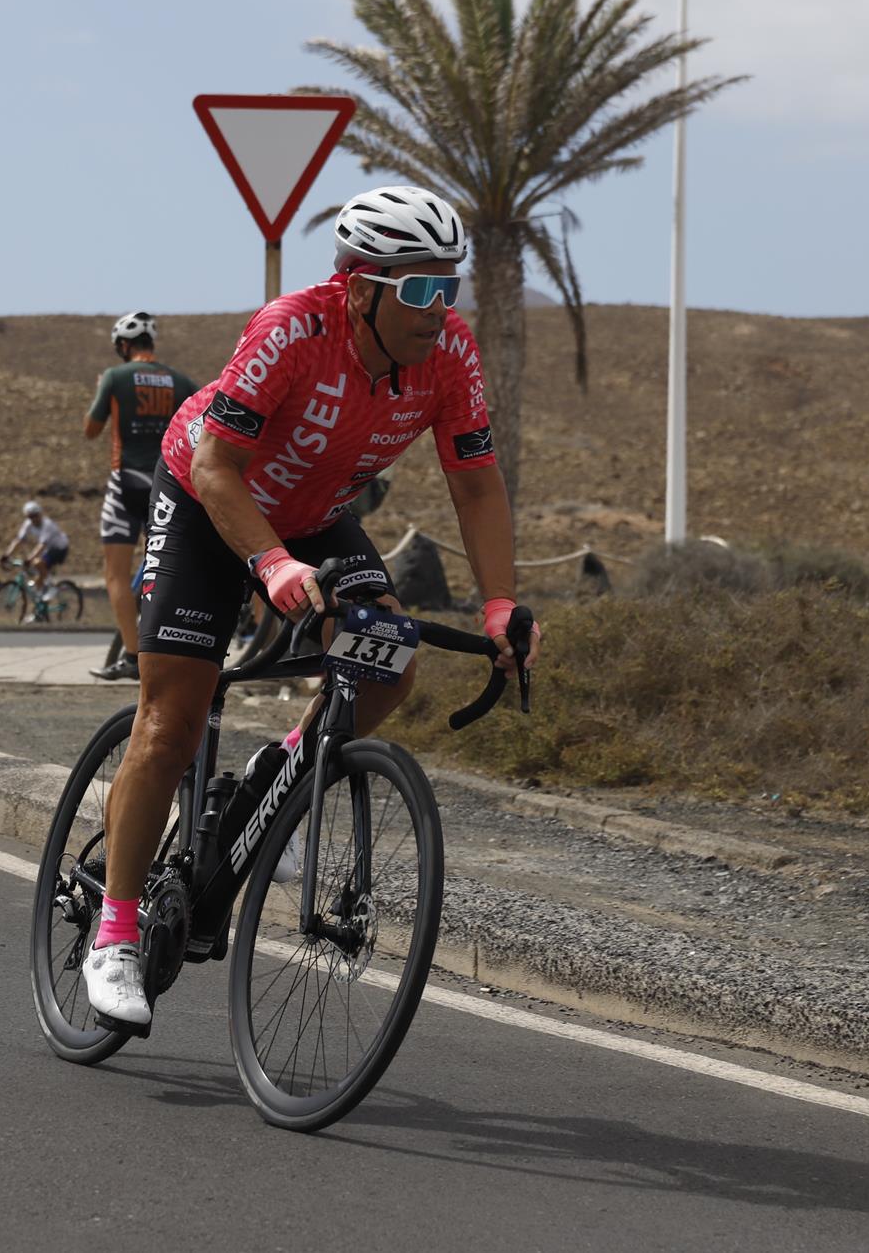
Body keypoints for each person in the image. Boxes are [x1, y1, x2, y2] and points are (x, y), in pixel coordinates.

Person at [81, 184, 544, 1028]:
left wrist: (499, 605)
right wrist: (272, 565)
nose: (439, 307)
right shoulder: (292, 328)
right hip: (207, 497)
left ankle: (278, 773)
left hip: (314, 511)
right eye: (420, 288)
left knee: (388, 658)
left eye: (450, 285)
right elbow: (217, 467)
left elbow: (476, 484)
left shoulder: (450, 351)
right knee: (170, 722)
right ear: (360, 289)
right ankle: (113, 934)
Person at [85, 311, 199, 681]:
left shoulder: (114, 377)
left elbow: (91, 429)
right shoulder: (180, 381)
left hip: (125, 483)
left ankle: (133, 656)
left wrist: (102, 393)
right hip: (168, 484)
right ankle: (164, 652)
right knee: (166, 571)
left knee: (116, 574)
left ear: (123, 345)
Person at [3, 501, 70, 617]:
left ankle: (51, 589)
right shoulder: (28, 523)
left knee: (38, 563)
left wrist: (29, 559)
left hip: (60, 548)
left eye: (35, 515)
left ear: (40, 514)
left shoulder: (47, 525)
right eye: (30, 516)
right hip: (49, 548)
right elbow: (19, 540)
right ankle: (40, 605)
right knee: (37, 574)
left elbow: (41, 545)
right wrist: (6, 555)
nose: (33, 519)